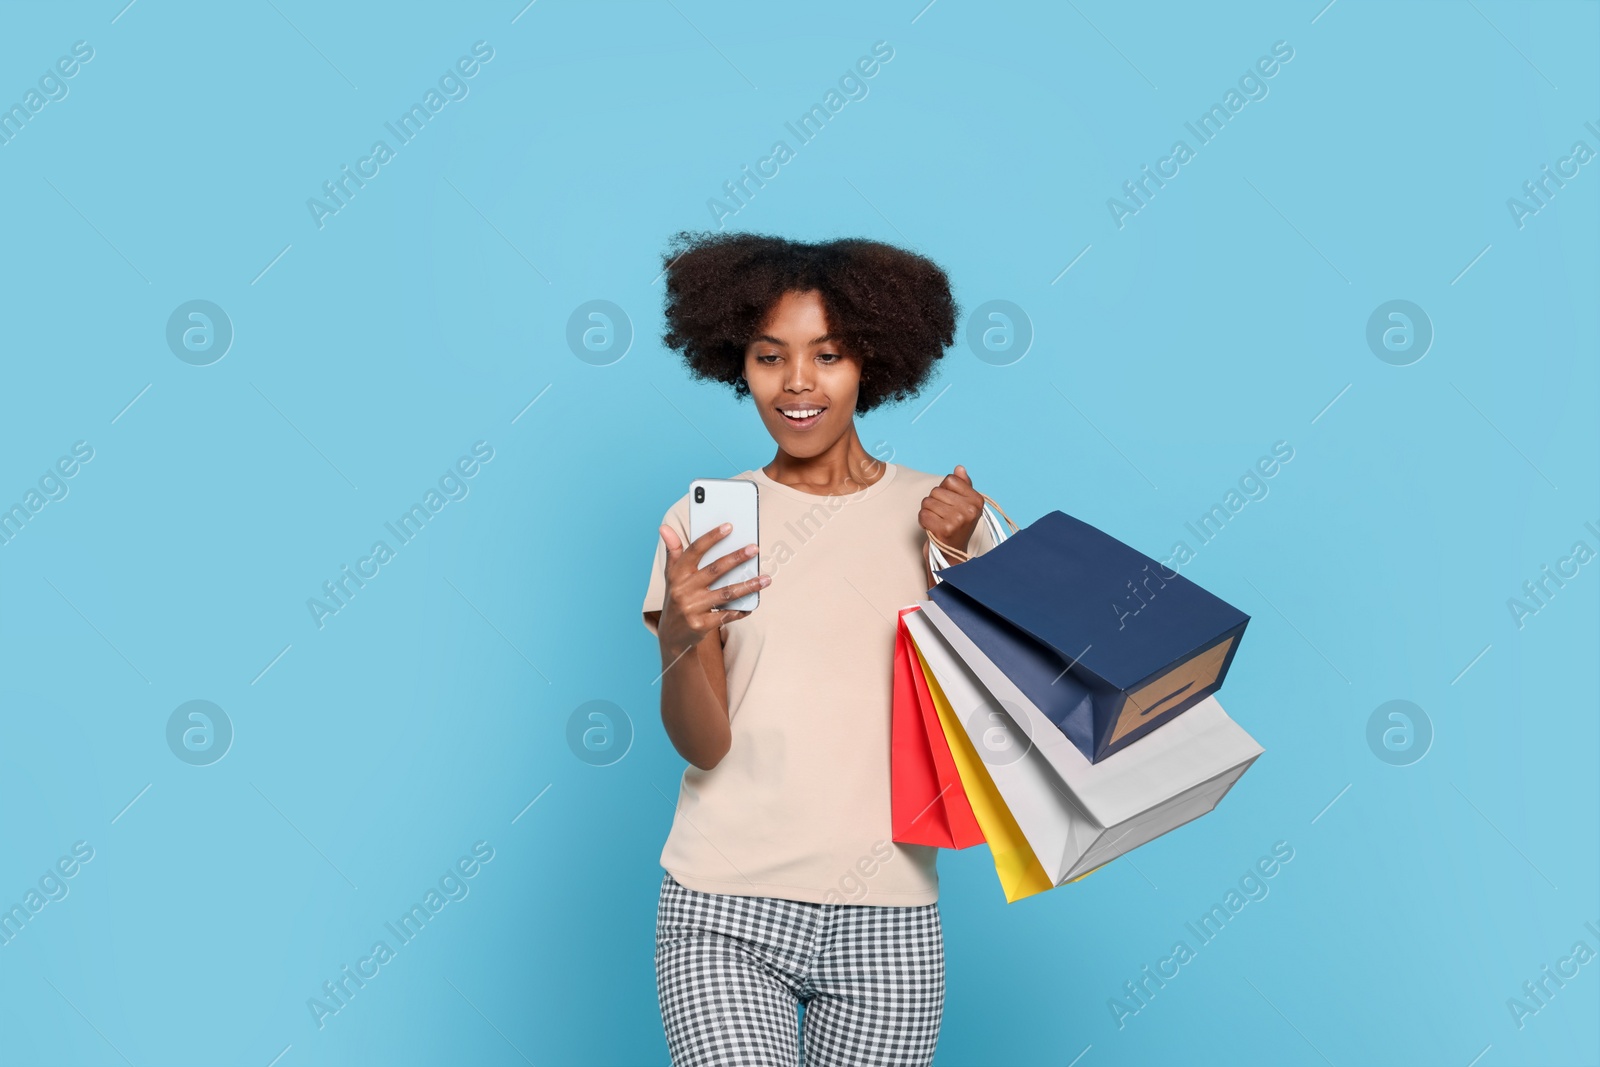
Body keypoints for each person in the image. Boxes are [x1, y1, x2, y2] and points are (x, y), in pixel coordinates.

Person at [640, 232, 999, 1067]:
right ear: (739, 364)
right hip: (721, 908)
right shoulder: (705, 526)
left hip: (890, 911)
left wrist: (971, 551)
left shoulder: (939, 514)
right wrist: (686, 636)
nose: (798, 383)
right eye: (771, 357)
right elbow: (703, 742)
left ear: (870, 360)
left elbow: (1012, 698)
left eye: (827, 355)